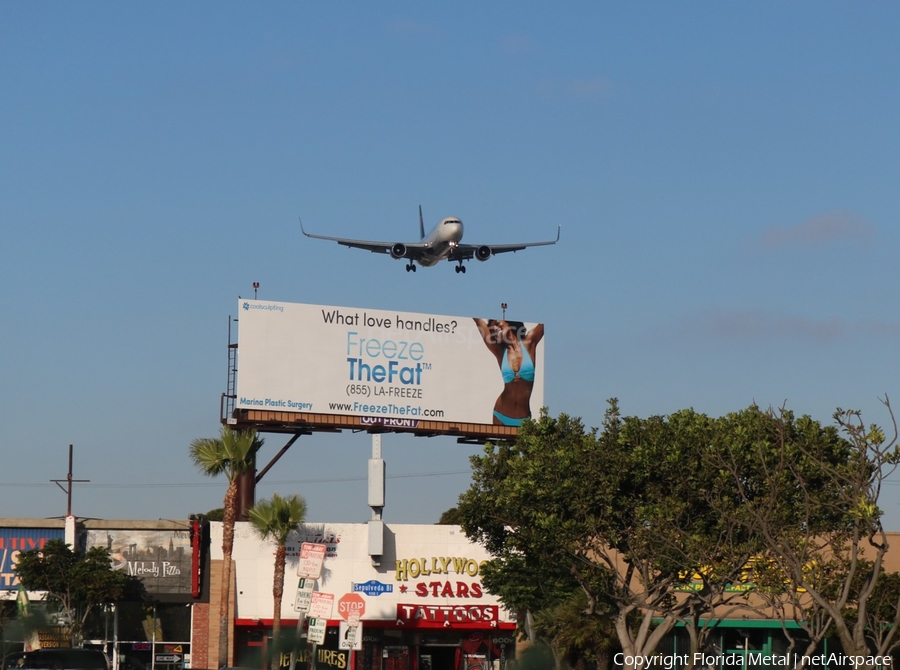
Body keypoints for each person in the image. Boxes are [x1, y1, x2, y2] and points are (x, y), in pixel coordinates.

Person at [473, 318, 543, 426]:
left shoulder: (530, 342)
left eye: (497, 323)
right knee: (495, 444)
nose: (495, 329)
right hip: (500, 415)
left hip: (523, 419)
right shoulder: (500, 352)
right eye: (492, 330)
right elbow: (478, 321)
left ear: (509, 322)